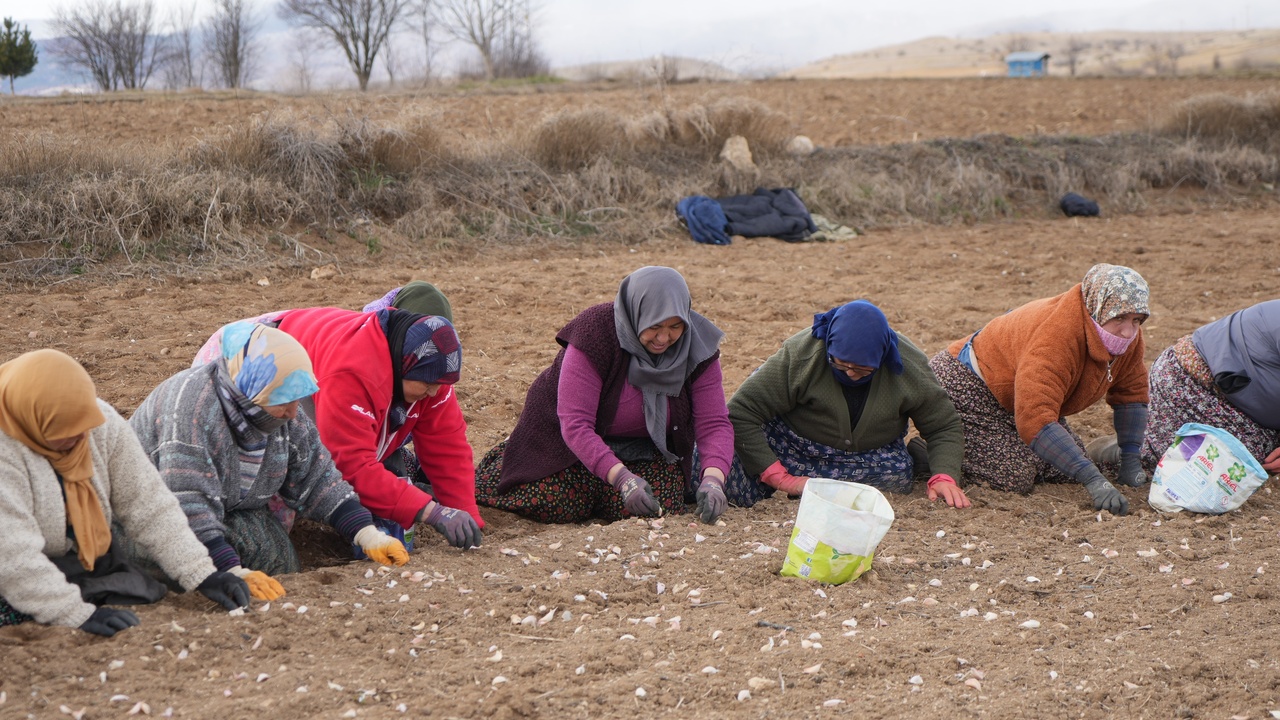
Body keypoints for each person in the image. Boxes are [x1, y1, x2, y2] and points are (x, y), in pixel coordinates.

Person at [129, 323, 410, 602]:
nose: (292, 412)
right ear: (252, 391)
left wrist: (367, 534)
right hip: (150, 516)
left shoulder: (280, 406)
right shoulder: (191, 409)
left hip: (227, 509)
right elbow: (188, 501)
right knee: (168, 576)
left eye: (296, 400)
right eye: (282, 403)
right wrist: (231, 570)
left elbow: (317, 477)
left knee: (280, 560)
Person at [0, 350, 249, 637]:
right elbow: (12, 553)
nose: (82, 437)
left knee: (141, 591)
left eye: (84, 425)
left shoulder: (97, 423)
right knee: (19, 610)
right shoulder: (7, 449)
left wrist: (202, 572)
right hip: (13, 564)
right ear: (33, 421)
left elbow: (148, 503)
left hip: (79, 558)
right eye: (65, 431)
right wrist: (74, 615)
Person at [474, 266, 733, 524]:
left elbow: (714, 422)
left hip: (643, 453)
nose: (664, 338)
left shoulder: (698, 347)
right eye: (655, 326)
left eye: (675, 326)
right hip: (566, 449)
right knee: (550, 502)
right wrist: (623, 480)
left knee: (658, 506)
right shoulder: (595, 332)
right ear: (636, 313)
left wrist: (713, 480)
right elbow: (575, 423)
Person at [927, 263, 1151, 516]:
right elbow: (1035, 417)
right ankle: (930, 452)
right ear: (1096, 308)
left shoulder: (1128, 338)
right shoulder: (1056, 336)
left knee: (1059, 469)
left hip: (1017, 394)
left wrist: (1130, 462)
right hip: (969, 386)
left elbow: (1132, 395)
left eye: (1137, 320)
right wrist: (1094, 481)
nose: (1128, 331)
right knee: (1012, 477)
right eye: (1119, 318)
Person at [271, 307, 483, 549]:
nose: (435, 392)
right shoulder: (353, 371)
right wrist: (431, 512)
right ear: (404, 366)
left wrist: (467, 517)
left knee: (385, 471)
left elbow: (447, 446)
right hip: (273, 354)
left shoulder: (429, 370)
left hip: (325, 353)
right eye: (428, 383)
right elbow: (348, 463)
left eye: (440, 385)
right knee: (290, 481)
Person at [726, 300, 970, 508]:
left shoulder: (909, 366)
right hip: (793, 446)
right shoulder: (802, 355)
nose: (851, 374)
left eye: (863, 369)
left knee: (892, 485)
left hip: (868, 457)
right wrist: (778, 477)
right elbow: (741, 411)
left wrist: (944, 476)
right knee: (732, 487)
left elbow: (943, 426)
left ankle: (915, 459)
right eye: (841, 365)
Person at [1089, 300, 1280, 476]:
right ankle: (1129, 450)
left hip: (1243, 400)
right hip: (1194, 383)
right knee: (1223, 464)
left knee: (1260, 457)